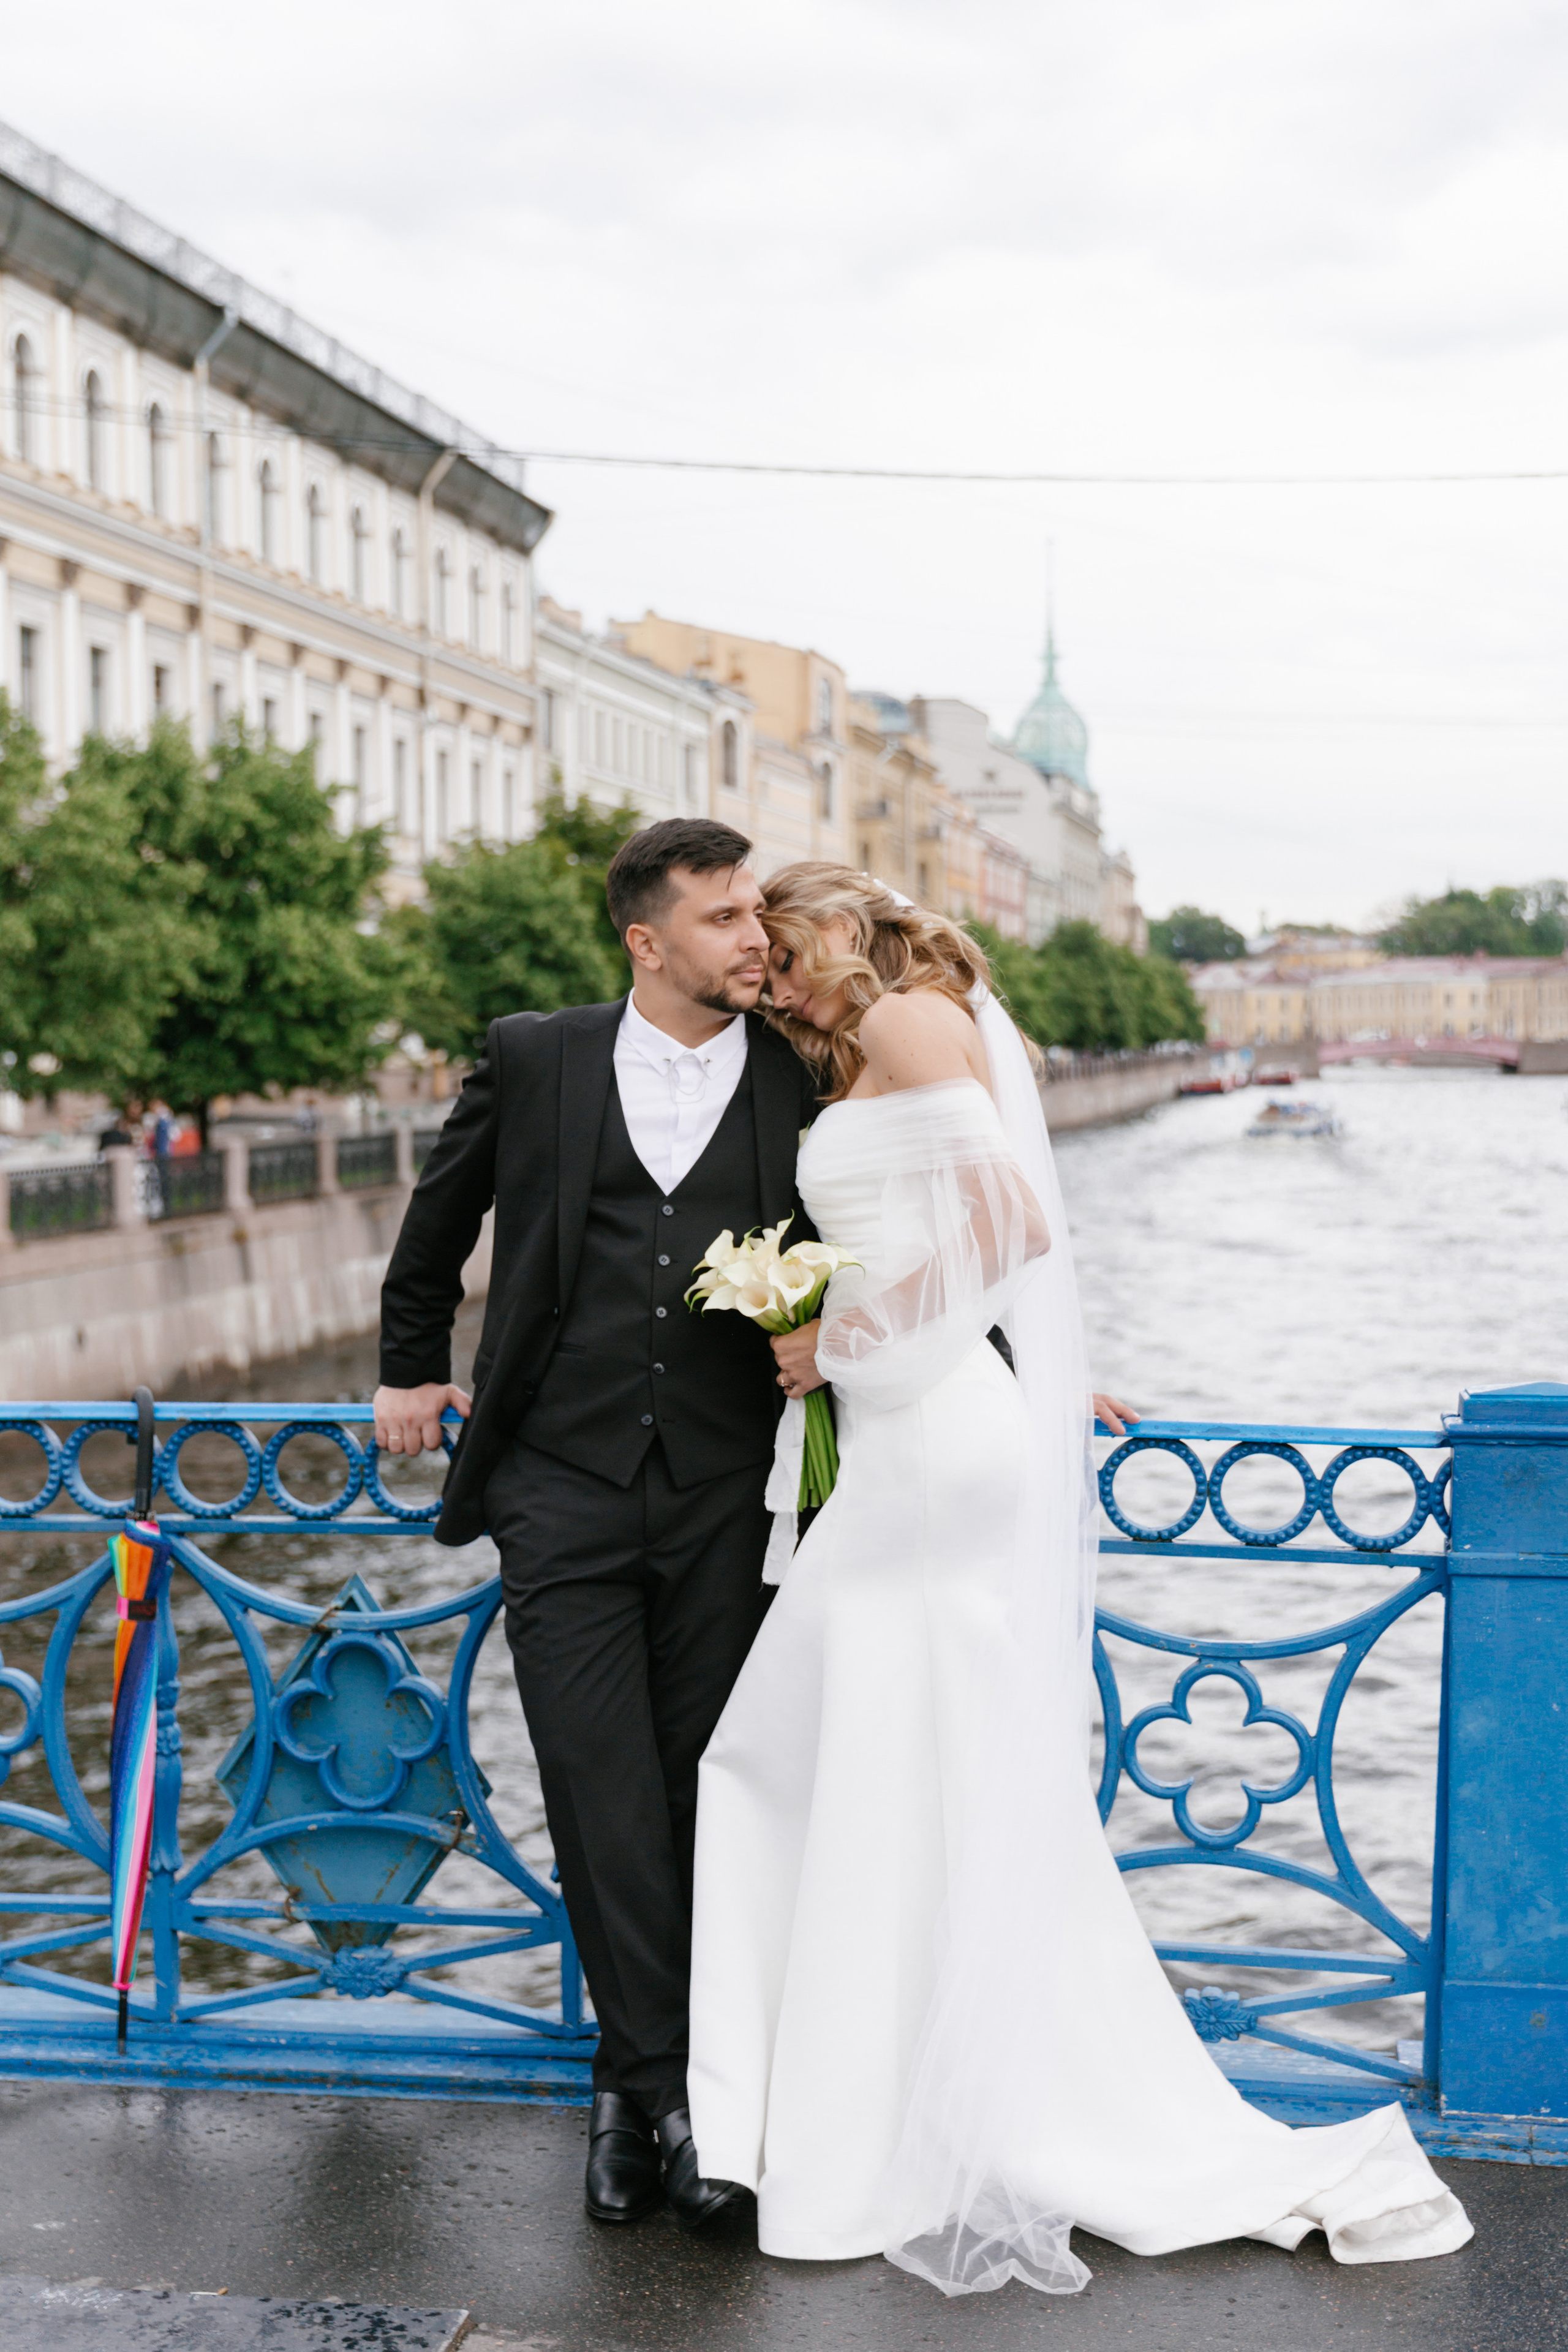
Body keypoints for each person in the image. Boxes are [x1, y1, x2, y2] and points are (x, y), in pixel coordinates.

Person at [686, 865, 1472, 2294]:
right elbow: (959, 1240)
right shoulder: (876, 1040)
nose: (772, 976)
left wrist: (836, 1348)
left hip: (925, 1439)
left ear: (837, 930)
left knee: (821, 1752)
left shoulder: (915, 1024)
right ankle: (883, 2111)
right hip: (913, 1431)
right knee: (899, 1762)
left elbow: (1010, 1231)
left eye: (783, 947)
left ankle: (873, 2131)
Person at [372, 818, 822, 2233]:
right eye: (726, 918)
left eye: (756, 913)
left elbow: (907, 1234)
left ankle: (648, 2097)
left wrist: (1007, 1365)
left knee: (699, 1794)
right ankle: (662, 2092)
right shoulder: (537, 1053)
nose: (757, 937)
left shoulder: (800, 1069)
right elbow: (438, 1220)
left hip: (724, 1497)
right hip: (556, 1489)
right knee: (595, 1790)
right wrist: (405, 1363)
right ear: (646, 940)